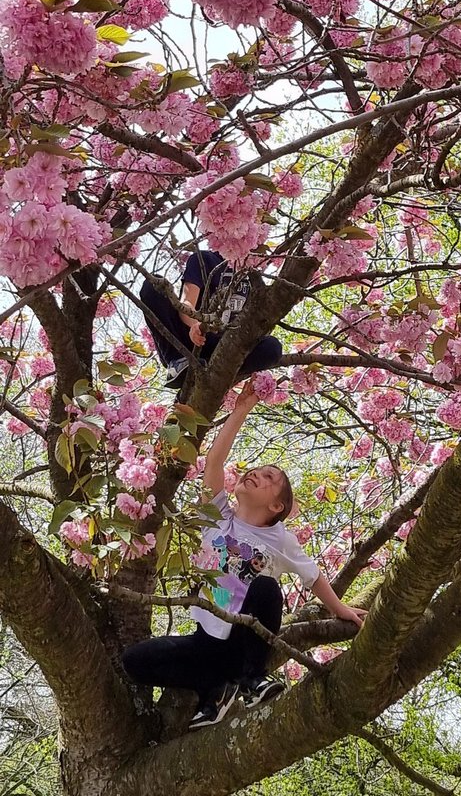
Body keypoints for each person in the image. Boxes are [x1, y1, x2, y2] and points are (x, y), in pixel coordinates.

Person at [122, 381, 366, 730]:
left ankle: (252, 681)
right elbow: (215, 462)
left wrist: (339, 609)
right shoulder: (217, 515)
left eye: (268, 477)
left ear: (277, 505)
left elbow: (311, 576)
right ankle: (214, 690)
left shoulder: (279, 537)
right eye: (256, 469)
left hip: (244, 639)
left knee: (266, 588)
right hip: (207, 640)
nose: (255, 473)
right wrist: (241, 408)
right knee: (134, 661)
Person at [140, 249, 282, 389]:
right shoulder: (204, 259)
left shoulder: (253, 279)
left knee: (272, 347)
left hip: (226, 346)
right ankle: (177, 362)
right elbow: (187, 302)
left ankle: (218, 371)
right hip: (191, 336)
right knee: (153, 285)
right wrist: (195, 325)